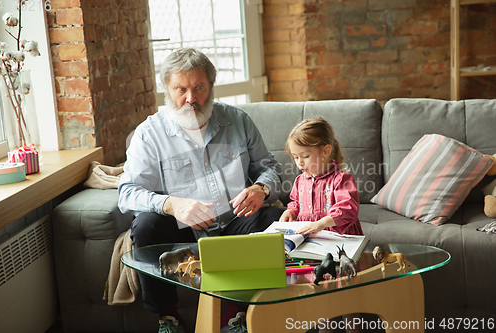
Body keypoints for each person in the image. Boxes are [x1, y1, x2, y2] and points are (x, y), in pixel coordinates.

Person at [118, 48, 284, 333]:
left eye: (199, 88)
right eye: (180, 89)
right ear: (167, 91)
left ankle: (234, 316)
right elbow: (127, 193)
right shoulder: (149, 133)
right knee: (145, 225)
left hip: (235, 221)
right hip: (181, 229)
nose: (190, 98)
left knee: (272, 220)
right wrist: (171, 204)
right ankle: (169, 319)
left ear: (211, 87)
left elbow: (272, 169)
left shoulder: (239, 120)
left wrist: (261, 188)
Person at [280, 117, 363, 333]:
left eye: (305, 156)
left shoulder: (342, 179)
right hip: (313, 249)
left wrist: (322, 223)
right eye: (296, 157)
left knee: (347, 296)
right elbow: (295, 201)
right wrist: (291, 211)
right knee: (319, 295)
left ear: (325, 151)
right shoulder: (301, 180)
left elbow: (348, 208)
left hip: (338, 248)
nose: (299, 162)